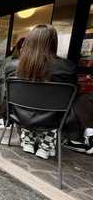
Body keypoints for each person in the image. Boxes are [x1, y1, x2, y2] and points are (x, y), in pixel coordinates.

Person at [10, 24, 93, 158]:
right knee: (85, 99)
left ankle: (31, 138)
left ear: (29, 42)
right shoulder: (67, 68)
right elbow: (73, 95)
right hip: (53, 119)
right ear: (54, 43)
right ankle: (55, 141)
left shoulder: (13, 67)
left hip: (20, 116)